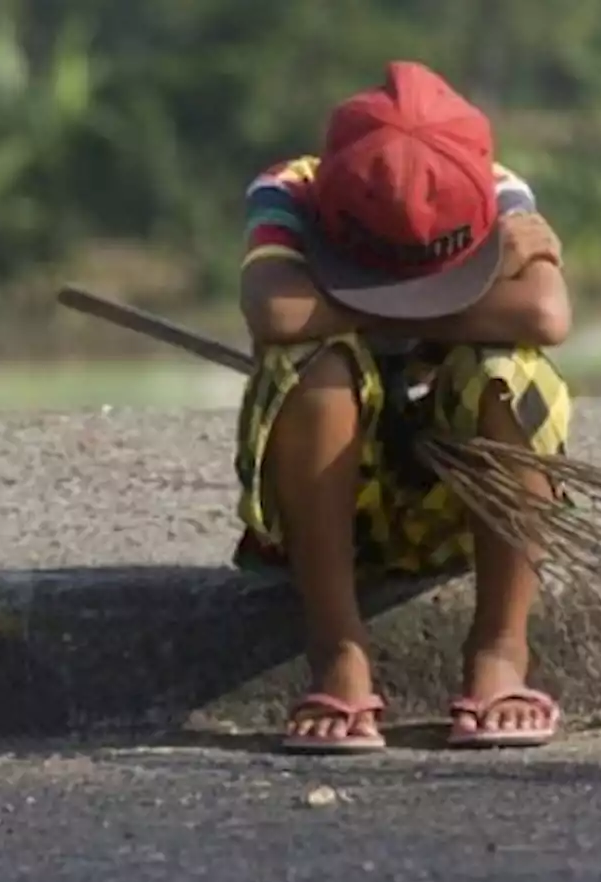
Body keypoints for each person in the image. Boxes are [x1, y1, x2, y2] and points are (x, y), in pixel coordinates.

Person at [231, 60, 574, 753]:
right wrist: (449, 301)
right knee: (316, 370)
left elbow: (542, 312)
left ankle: (501, 651)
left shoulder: (498, 189)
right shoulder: (289, 189)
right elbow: (274, 309)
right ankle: (338, 651)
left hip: (458, 503)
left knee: (504, 369)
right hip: (331, 512)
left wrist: (351, 308)